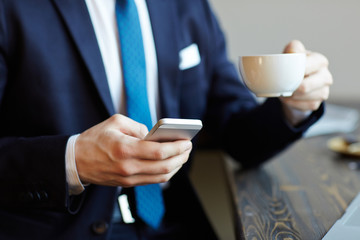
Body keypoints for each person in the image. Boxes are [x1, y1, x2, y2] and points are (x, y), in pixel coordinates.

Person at [0, 0, 332, 239]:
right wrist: (73, 161)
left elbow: (238, 133)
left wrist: (295, 105)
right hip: (55, 228)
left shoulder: (188, 6)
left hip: (174, 224)